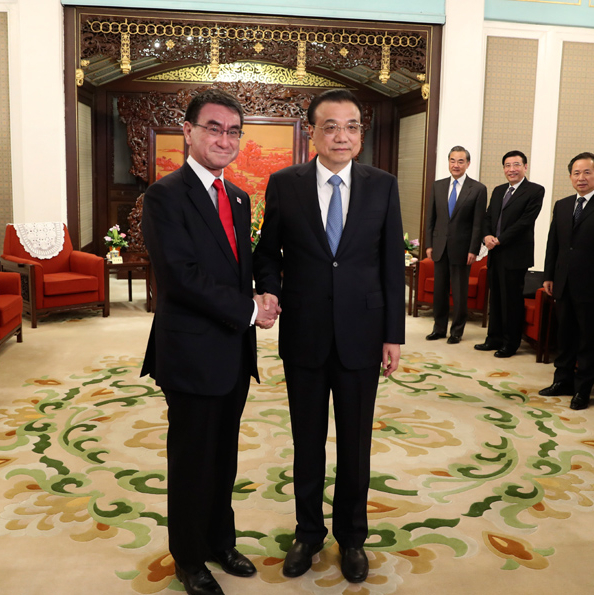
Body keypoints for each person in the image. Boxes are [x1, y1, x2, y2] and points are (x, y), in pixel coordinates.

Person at [253, 89, 405, 584]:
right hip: (306, 333)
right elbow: (267, 253)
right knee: (307, 441)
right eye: (331, 126)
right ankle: (308, 532)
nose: (343, 136)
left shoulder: (383, 185)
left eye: (352, 126)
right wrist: (270, 291)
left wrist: (393, 334)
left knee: (356, 443)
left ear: (361, 133)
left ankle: (352, 537)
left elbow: (390, 264)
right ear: (312, 133)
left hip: (364, 333)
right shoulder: (285, 184)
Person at [140, 89, 279, 595]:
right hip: (191, 353)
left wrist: (267, 290)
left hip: (233, 353)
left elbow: (241, 266)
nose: (224, 139)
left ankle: (221, 540)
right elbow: (181, 277)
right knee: (192, 461)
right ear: (189, 131)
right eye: (213, 128)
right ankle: (189, 558)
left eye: (233, 131)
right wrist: (251, 310)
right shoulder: (164, 196)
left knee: (224, 456)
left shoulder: (238, 197)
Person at [539, 153, 594, 410]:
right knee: (564, 335)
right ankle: (562, 381)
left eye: (587, 172)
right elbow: (554, 243)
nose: (581, 177)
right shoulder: (562, 205)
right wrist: (549, 275)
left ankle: (583, 389)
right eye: (576, 173)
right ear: (570, 177)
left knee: (589, 339)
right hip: (563, 283)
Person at [474, 150, 544, 358]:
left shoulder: (535, 190)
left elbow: (525, 222)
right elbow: (488, 217)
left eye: (516, 165)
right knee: (495, 298)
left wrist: (499, 239)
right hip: (495, 253)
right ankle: (493, 338)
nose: (511, 169)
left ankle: (510, 343)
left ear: (525, 167)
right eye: (507, 165)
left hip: (515, 255)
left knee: (511, 300)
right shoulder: (499, 190)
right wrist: (487, 236)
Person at [423, 146, 487, 344]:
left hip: (462, 249)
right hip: (440, 247)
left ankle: (457, 331)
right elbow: (431, 218)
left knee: (459, 293)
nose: (456, 165)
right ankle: (439, 329)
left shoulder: (478, 189)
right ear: (448, 162)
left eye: (460, 161)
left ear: (468, 164)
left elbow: (478, 224)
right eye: (452, 160)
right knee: (440, 292)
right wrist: (429, 244)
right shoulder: (438, 186)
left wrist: (473, 250)